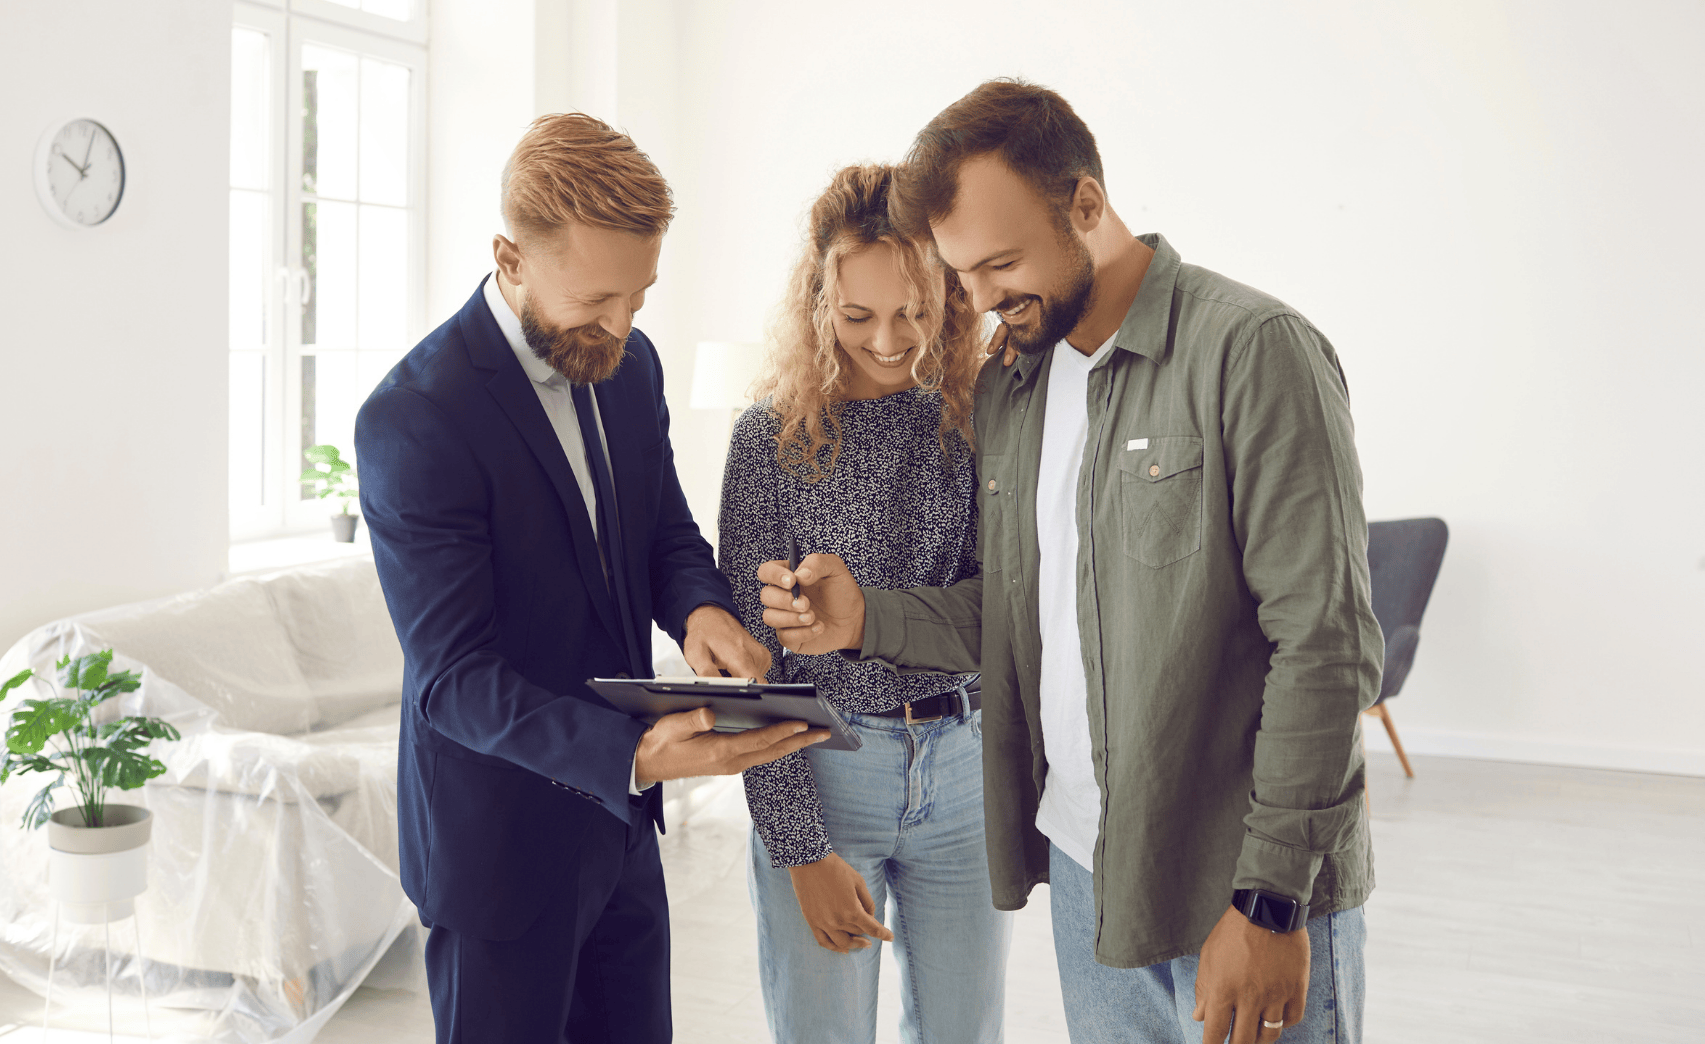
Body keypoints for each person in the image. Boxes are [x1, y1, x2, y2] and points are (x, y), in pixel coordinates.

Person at [759, 79, 1383, 1044]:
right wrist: (864, 619)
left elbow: (1326, 648)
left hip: (1239, 881)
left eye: (1000, 264)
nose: (979, 303)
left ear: (1086, 206)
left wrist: (1269, 903)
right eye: (960, 273)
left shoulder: (1254, 351)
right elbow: (1019, 616)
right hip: (1090, 874)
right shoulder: (1017, 385)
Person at [357, 112, 828, 1044]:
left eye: (640, 296)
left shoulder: (629, 365)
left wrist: (698, 608)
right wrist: (635, 754)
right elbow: (454, 680)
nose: (620, 325)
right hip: (498, 848)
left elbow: (661, 531)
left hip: (619, 835)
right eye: (597, 299)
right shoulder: (415, 419)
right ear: (510, 256)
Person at [717, 164, 1006, 1043]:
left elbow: (1001, 605)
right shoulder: (768, 439)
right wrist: (800, 849)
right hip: (824, 766)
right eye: (857, 316)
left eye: (914, 311)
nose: (890, 340)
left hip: (961, 766)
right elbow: (748, 675)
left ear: (949, 298)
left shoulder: (972, 414)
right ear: (817, 303)